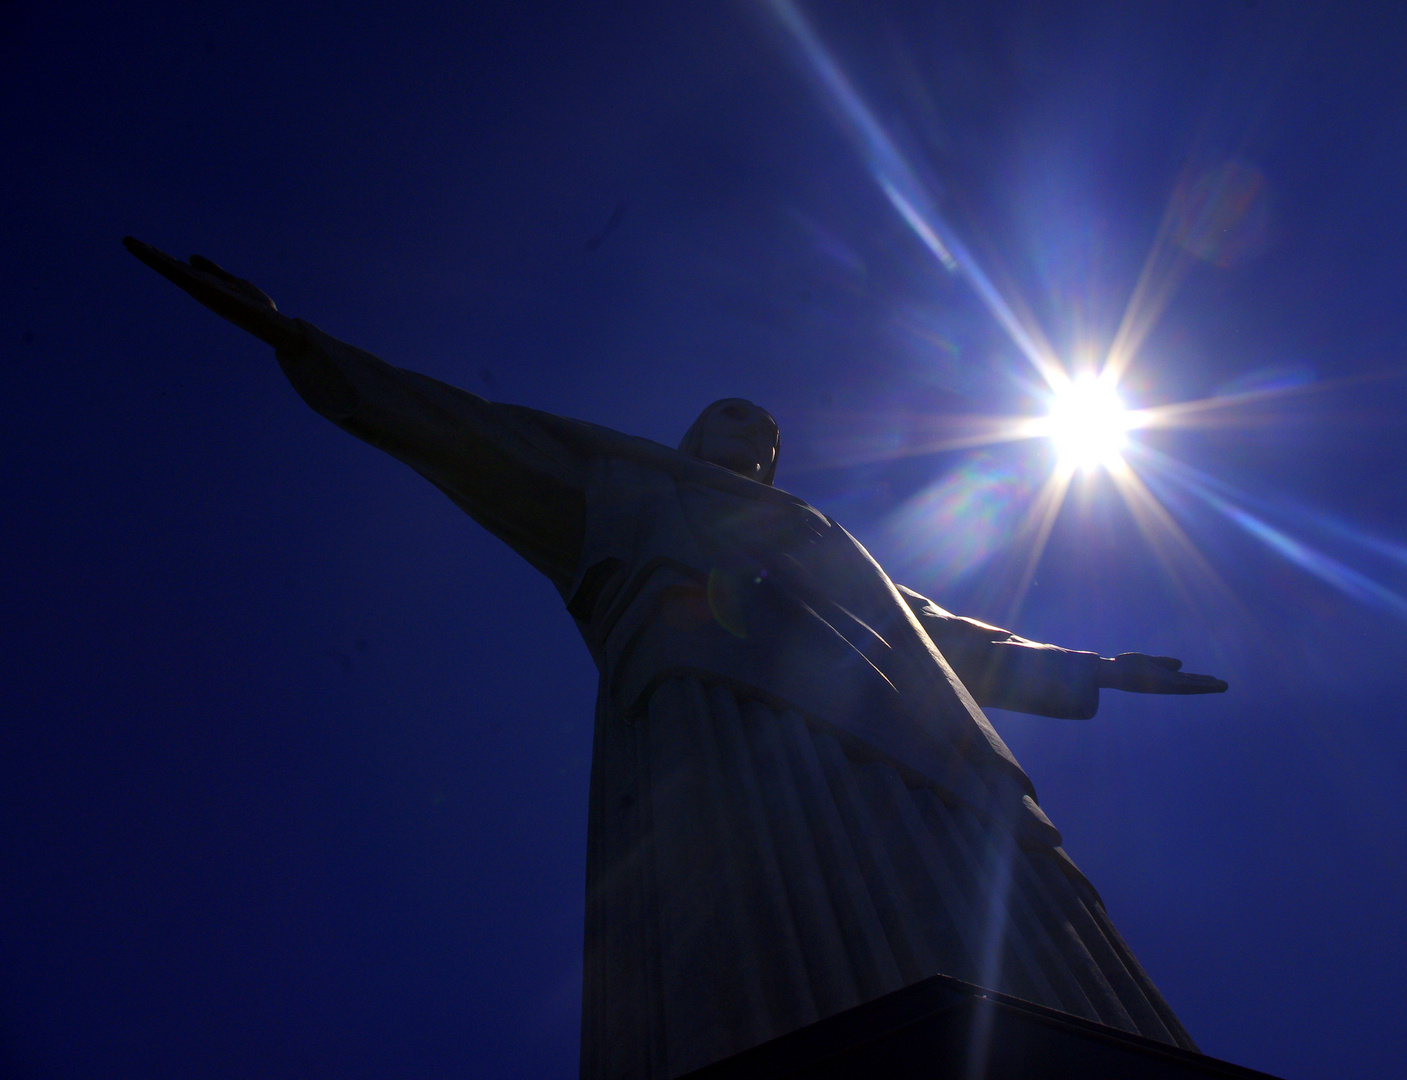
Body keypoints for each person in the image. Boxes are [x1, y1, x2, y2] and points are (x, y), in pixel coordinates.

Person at [126, 238, 1228, 1079]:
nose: (752, 436)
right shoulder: (624, 485)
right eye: (730, 419)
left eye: (767, 431)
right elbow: (463, 428)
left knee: (999, 911)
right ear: (694, 437)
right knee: (765, 936)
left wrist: (1090, 667)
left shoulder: (822, 536)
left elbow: (944, 635)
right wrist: (300, 342)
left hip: (916, 733)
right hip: (726, 704)